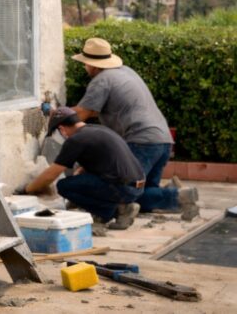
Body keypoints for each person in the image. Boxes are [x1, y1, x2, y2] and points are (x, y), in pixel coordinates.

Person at [70, 37, 199, 219]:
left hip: (141, 143)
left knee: (124, 192)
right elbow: (98, 109)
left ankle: (178, 196)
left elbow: (81, 114)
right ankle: (174, 195)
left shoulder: (101, 80)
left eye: (85, 63)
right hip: (162, 141)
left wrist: (55, 113)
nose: (84, 67)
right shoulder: (125, 72)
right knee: (141, 196)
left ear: (93, 65)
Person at [20, 107, 145, 234]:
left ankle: (104, 214)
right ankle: (123, 207)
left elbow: (51, 174)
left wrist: (27, 190)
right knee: (80, 182)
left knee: (65, 186)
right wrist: (84, 169)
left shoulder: (76, 139)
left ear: (62, 129)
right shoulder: (97, 129)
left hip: (123, 189)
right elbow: (106, 158)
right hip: (137, 186)